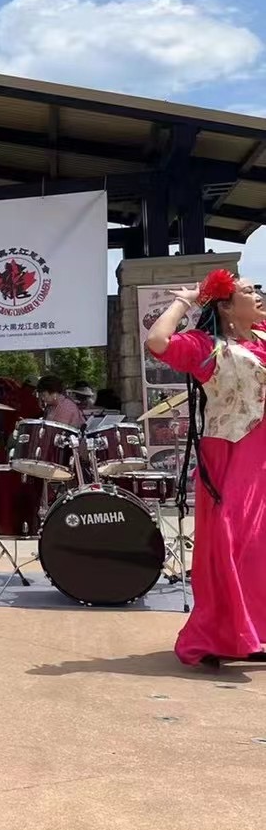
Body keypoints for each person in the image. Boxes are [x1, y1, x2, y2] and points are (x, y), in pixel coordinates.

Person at [146, 270, 266, 668]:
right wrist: (187, 300)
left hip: (262, 452)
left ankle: (254, 631)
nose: (258, 294)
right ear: (227, 307)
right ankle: (218, 634)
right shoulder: (206, 346)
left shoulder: (262, 337)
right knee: (231, 544)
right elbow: (157, 342)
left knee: (260, 545)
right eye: (248, 290)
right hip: (232, 450)